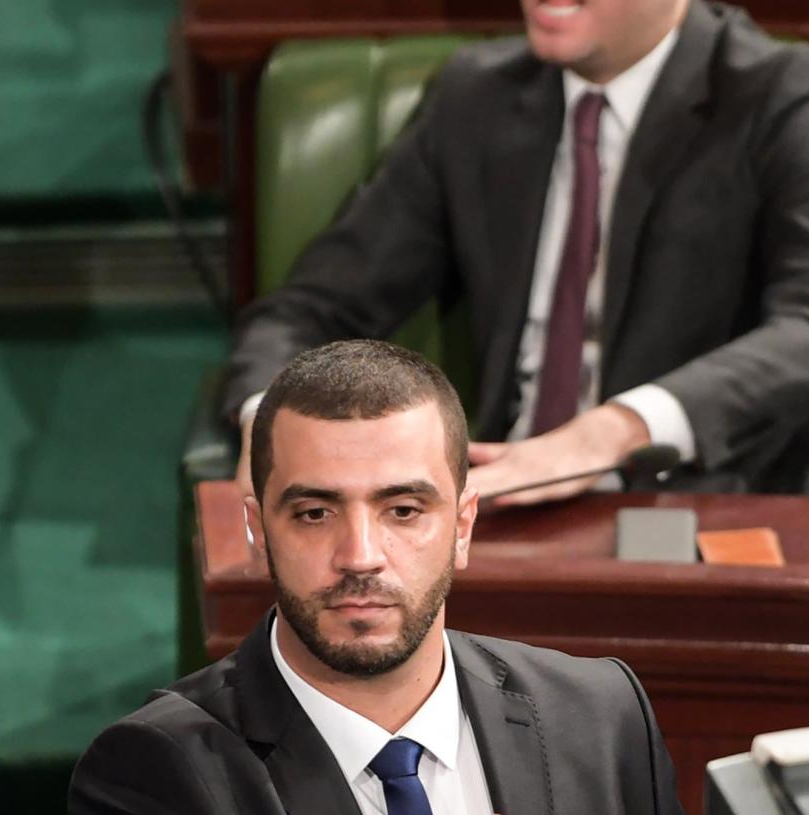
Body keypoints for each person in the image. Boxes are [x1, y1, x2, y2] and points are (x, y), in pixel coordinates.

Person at [223, 0, 809, 506]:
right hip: (498, 505)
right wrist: (272, 415)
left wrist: (614, 431)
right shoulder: (474, 97)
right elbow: (312, 307)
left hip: (704, 501)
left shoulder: (787, 97)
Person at [70, 339, 682, 814]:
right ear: (258, 529)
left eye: (404, 511)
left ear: (463, 523)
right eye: (314, 513)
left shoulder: (601, 714)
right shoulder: (156, 768)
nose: (360, 555)